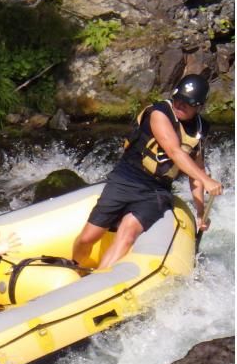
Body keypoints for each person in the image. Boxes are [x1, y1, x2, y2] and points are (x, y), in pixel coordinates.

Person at [72, 73, 223, 269]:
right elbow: (174, 151)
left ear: (198, 107)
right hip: (126, 179)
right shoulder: (159, 113)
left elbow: (197, 172)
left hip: (156, 191)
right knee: (88, 237)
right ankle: (75, 267)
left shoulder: (200, 129)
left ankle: (97, 283)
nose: (180, 105)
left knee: (128, 234)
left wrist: (201, 210)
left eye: (187, 103)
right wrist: (207, 180)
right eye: (178, 99)